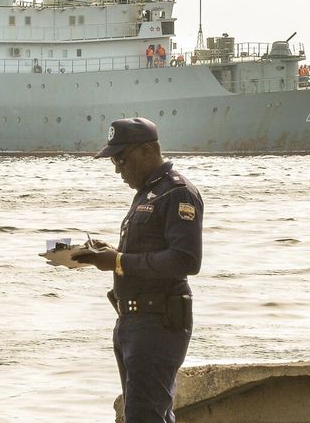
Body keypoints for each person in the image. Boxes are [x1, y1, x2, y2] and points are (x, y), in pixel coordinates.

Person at [74, 117, 203, 423]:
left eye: (121, 159)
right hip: (133, 322)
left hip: (158, 324)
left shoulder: (177, 193)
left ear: (147, 152)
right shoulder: (148, 193)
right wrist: (106, 255)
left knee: (145, 416)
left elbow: (185, 260)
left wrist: (118, 261)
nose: (117, 169)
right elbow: (149, 253)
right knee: (148, 414)